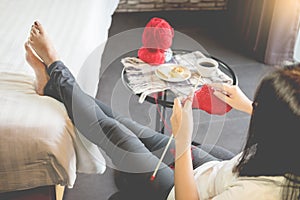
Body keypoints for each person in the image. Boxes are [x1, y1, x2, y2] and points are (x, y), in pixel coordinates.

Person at [25, 21, 300, 200]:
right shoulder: (286, 151)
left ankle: (56, 68)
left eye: (260, 107)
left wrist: (182, 140)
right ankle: (52, 86)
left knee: (115, 133)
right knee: (127, 125)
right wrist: (248, 106)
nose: (256, 107)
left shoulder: (258, 194)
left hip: (186, 192)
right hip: (220, 172)